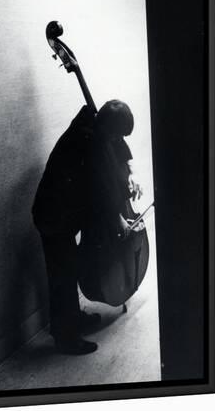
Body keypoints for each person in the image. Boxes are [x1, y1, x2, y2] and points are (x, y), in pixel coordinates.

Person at [32, 100, 142, 355]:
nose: (118, 139)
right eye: (116, 134)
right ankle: (65, 337)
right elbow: (100, 187)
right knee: (63, 275)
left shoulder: (97, 123)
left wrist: (131, 170)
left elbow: (117, 147)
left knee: (70, 267)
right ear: (107, 127)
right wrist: (116, 217)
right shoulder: (86, 140)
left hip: (69, 209)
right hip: (53, 215)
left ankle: (72, 318)